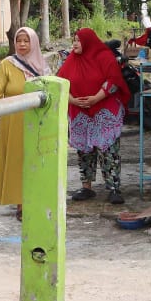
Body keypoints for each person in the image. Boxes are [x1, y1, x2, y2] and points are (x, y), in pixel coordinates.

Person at [56, 28, 131, 205]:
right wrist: (73, 100)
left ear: (88, 41)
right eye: (73, 40)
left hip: (105, 110)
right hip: (80, 111)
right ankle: (86, 187)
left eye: (78, 40)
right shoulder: (70, 61)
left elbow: (113, 81)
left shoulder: (104, 57)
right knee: (84, 151)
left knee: (109, 150)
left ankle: (113, 188)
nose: (74, 44)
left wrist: (96, 98)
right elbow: (60, 84)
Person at [0, 27, 49, 220]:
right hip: (13, 123)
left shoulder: (42, 67)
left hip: (36, 122)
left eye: (26, 41)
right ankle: (21, 204)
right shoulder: (7, 64)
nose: (21, 44)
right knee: (17, 161)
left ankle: (35, 199)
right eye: (18, 41)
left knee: (35, 161)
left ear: (33, 43)